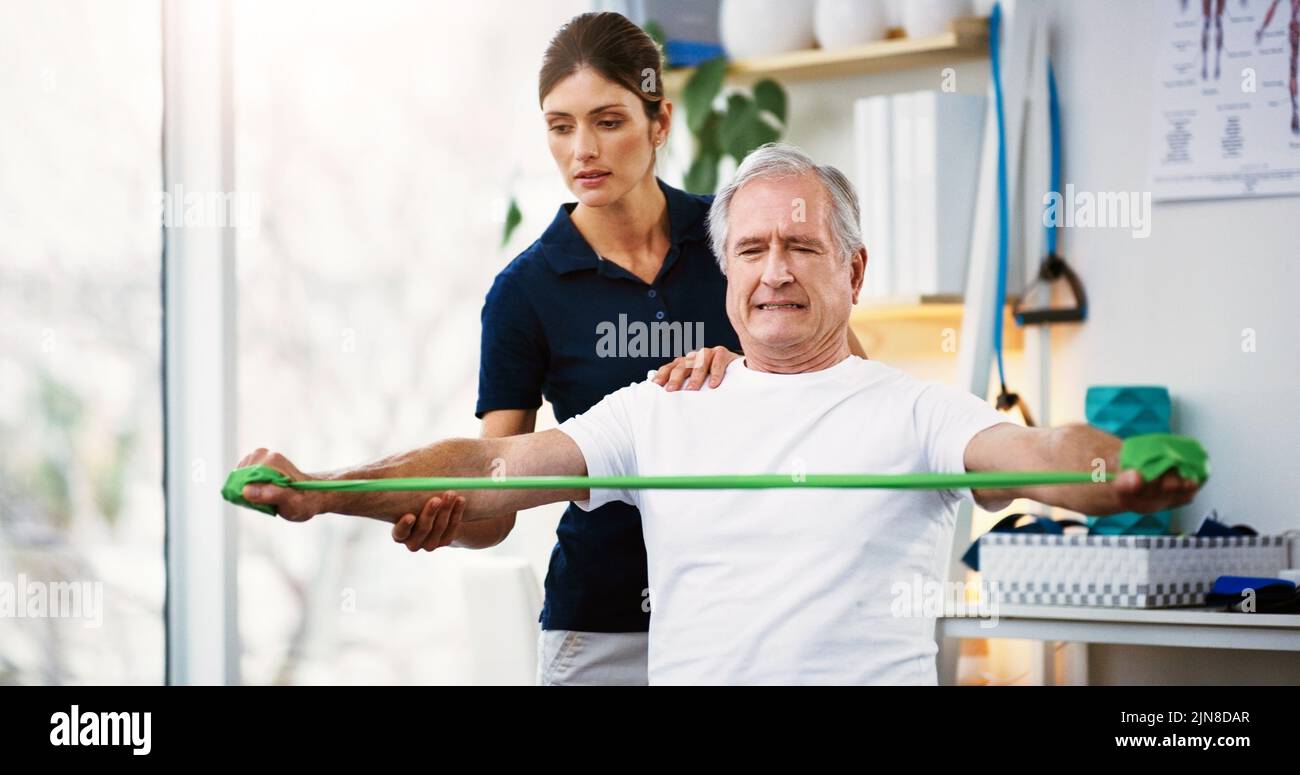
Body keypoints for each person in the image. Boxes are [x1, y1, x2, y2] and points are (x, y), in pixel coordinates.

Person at [234, 143, 1201, 685]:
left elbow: (1041, 455)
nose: (775, 269)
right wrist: (327, 490)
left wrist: (1117, 472)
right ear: (724, 269)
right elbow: (493, 476)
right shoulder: (662, 406)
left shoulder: (915, 411)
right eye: (750, 249)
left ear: (852, 271)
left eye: (801, 246)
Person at [382, 11, 864, 685]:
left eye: (608, 121)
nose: (584, 148)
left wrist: (748, 369)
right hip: (601, 624)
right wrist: (449, 520)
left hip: (751, 614)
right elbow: (498, 483)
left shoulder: (742, 240)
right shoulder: (523, 292)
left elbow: (853, 390)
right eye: (561, 126)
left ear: (660, 121)